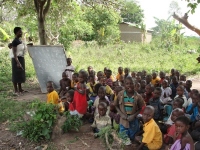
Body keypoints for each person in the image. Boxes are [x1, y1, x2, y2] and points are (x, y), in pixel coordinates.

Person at [114, 77, 145, 144]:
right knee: (123, 138)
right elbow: (116, 105)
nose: (129, 85)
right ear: (124, 85)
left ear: (135, 84)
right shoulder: (120, 94)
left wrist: (134, 115)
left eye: (131, 83)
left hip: (133, 122)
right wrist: (121, 114)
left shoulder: (138, 96)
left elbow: (140, 108)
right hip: (123, 121)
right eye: (127, 83)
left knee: (134, 138)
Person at [11, 27, 27, 95]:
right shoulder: (14, 41)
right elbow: (14, 53)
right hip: (16, 59)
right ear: (16, 32)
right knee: (15, 74)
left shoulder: (20, 40)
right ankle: (15, 90)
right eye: (20, 32)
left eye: (21, 31)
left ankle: (20, 88)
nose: (21, 33)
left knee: (20, 74)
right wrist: (18, 62)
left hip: (21, 58)